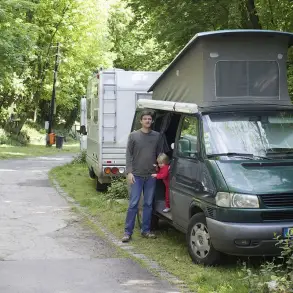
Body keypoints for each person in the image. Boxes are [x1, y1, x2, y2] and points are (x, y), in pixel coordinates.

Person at [122, 110, 160, 243]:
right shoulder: (133, 136)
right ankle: (127, 232)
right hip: (136, 176)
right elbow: (128, 155)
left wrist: (160, 168)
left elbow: (161, 154)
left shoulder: (157, 136)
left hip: (151, 176)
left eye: (150, 119)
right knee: (133, 204)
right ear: (141, 121)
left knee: (148, 204)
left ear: (152, 121)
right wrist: (129, 172)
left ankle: (146, 230)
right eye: (145, 119)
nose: (147, 121)